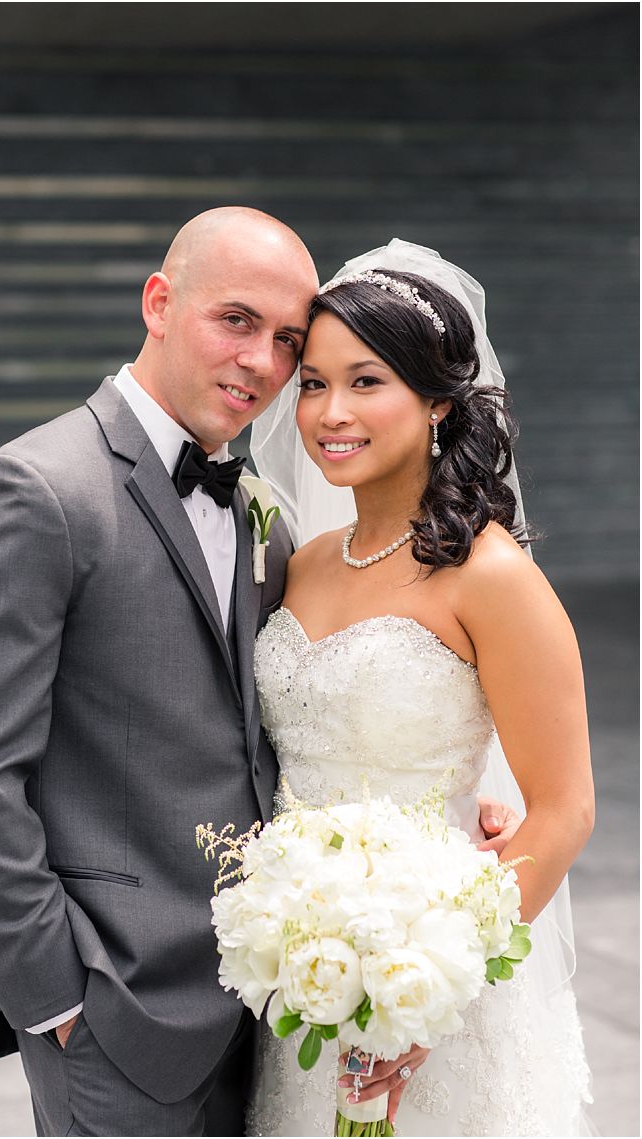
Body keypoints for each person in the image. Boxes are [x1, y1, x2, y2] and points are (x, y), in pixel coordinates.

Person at [0, 208, 521, 1136]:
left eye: (286, 341)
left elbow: (293, 715)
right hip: (116, 1009)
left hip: (271, 1006)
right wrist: (58, 1001)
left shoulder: (264, 513)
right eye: (235, 320)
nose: (263, 365)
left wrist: (441, 806)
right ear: (160, 302)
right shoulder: (37, 489)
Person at [247, 241, 592, 1135]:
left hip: (432, 989)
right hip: (302, 977)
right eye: (313, 383)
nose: (330, 411)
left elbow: (562, 809)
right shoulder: (302, 564)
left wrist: (424, 991)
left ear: (438, 398)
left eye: (366, 381)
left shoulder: (492, 577)